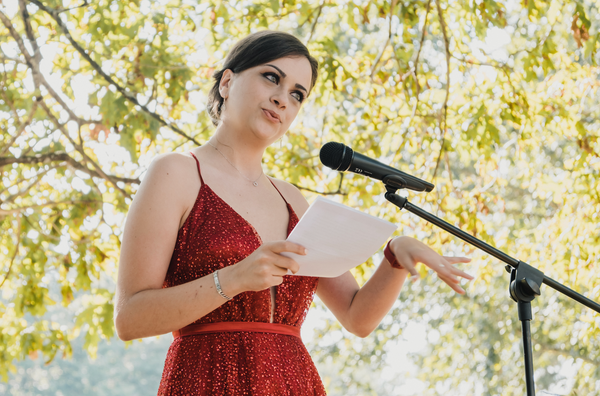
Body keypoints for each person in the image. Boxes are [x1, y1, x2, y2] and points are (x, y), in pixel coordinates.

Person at [114, 30, 473, 395]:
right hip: (205, 381)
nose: (282, 99)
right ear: (226, 82)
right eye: (272, 77)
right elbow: (129, 318)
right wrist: (234, 279)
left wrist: (395, 257)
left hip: (293, 382)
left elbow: (356, 316)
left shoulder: (293, 200)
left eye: (297, 94)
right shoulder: (175, 173)